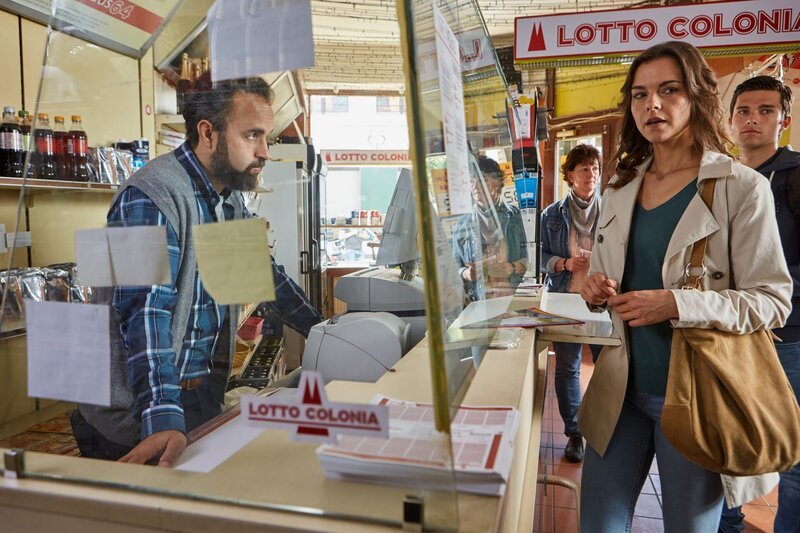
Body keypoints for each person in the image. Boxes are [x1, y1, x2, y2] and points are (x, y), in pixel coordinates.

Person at [578, 41, 792, 532]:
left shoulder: (741, 187)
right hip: (620, 389)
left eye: (668, 90)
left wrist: (677, 303)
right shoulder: (620, 187)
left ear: (696, 96)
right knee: (596, 524)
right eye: (640, 94)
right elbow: (609, 280)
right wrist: (597, 289)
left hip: (698, 393)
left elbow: (772, 301)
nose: (652, 104)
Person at [71, 78, 322, 467]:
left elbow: (264, 277)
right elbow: (144, 313)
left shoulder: (227, 198)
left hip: (198, 398)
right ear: (208, 132)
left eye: (266, 137)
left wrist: (326, 331)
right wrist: (161, 415)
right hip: (138, 415)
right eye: (252, 135)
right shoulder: (149, 195)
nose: (265, 152)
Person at [719, 76, 800, 533]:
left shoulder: (794, 176)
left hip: (788, 338)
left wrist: (766, 299)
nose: (753, 119)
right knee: (725, 444)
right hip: (730, 336)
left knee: (793, 454)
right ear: (730, 121)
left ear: (783, 120)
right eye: (744, 111)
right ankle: (724, 526)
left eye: (765, 110)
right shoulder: (722, 179)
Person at [540, 143, 603, 463]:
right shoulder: (551, 214)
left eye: (594, 169)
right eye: (584, 169)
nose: (590, 174)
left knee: (611, 369)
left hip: (604, 301)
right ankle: (575, 433)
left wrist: (602, 261)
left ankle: (606, 431)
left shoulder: (613, 211)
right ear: (569, 176)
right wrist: (564, 263)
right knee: (568, 369)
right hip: (565, 299)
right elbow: (540, 258)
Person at [452, 155, 527, 300]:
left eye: (483, 180)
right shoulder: (462, 224)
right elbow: (455, 267)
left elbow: (531, 259)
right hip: (479, 299)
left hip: (513, 299)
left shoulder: (516, 217)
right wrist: (466, 274)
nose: (475, 186)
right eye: (472, 181)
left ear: (498, 183)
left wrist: (511, 267)